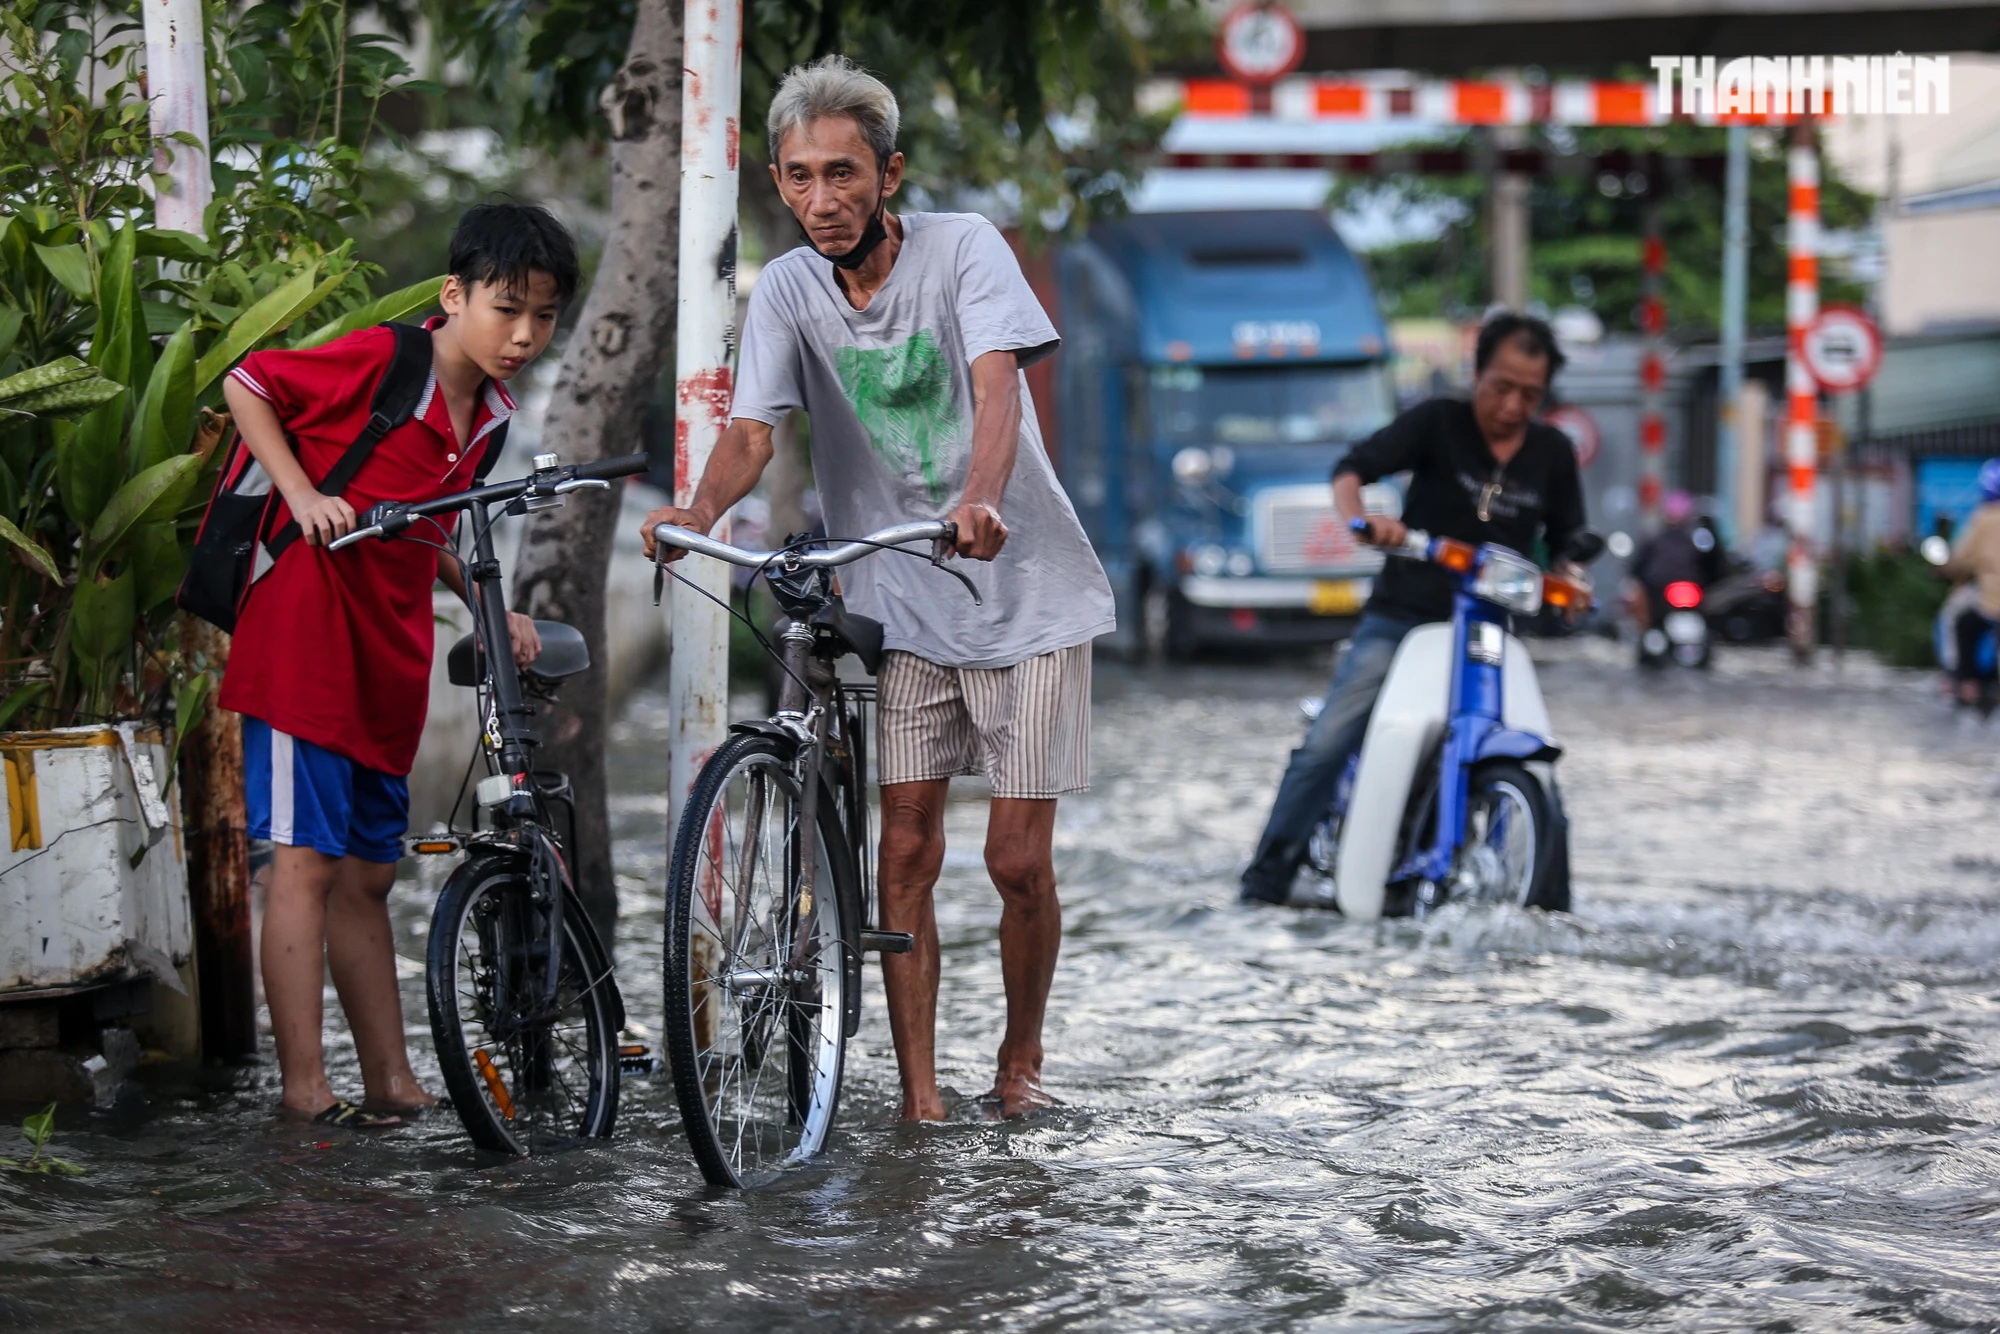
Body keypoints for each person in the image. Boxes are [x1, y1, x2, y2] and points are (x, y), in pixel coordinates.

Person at [639, 55, 1114, 1120]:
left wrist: (981, 497)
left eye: (844, 173)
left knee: (1012, 860)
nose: (823, 198)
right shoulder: (793, 289)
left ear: (888, 174)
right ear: (777, 179)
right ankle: (917, 1096)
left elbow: (998, 383)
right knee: (902, 843)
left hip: (1024, 591)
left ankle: (1018, 1059)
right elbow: (753, 432)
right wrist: (693, 516)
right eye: (801, 176)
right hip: (899, 600)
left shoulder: (964, 252)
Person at [218, 203, 576, 1127]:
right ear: (453, 296)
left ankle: (391, 1082)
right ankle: (306, 1090)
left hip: (390, 652)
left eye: (542, 317)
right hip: (305, 635)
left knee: (371, 875)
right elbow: (248, 379)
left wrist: (492, 605)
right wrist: (303, 495)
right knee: (301, 862)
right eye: (507, 310)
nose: (524, 336)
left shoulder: (490, 419)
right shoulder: (387, 361)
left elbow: (433, 529)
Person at [1240, 313, 1588, 906]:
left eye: (1529, 394)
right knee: (1330, 738)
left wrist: (1574, 577)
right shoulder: (1437, 422)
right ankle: (1265, 881)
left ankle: (1551, 901)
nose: (1511, 404)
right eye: (1501, 386)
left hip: (1490, 628)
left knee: (1542, 749)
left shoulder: (1552, 451)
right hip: (1403, 616)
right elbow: (1354, 469)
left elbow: (1569, 539)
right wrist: (1363, 520)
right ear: (1476, 374)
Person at [1940, 459, 2000, 708]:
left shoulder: (1984, 518)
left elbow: (1962, 557)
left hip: (1991, 601)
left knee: (1955, 619)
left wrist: (1947, 568)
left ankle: (1962, 681)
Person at [1625, 489, 1725, 633]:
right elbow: (1714, 566)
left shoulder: (1659, 538)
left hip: (1671, 594)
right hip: (1666, 594)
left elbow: (1638, 567)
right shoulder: (1696, 538)